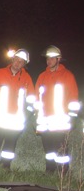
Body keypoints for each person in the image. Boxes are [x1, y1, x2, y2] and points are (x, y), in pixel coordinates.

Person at [0, 49, 34, 169]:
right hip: (0, 117)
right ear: (12, 60)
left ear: (24, 64)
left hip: (16, 119)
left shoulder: (27, 78)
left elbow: (31, 98)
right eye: (16, 60)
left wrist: (27, 114)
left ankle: (5, 166)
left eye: (21, 62)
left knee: (10, 145)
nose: (17, 63)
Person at [34, 45, 80, 174]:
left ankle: (63, 172)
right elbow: (37, 97)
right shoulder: (42, 76)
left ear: (59, 59)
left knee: (61, 148)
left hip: (60, 119)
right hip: (44, 120)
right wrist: (36, 115)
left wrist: (72, 117)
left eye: (52, 58)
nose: (49, 61)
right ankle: (49, 169)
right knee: (48, 147)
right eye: (48, 58)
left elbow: (73, 97)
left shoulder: (68, 76)